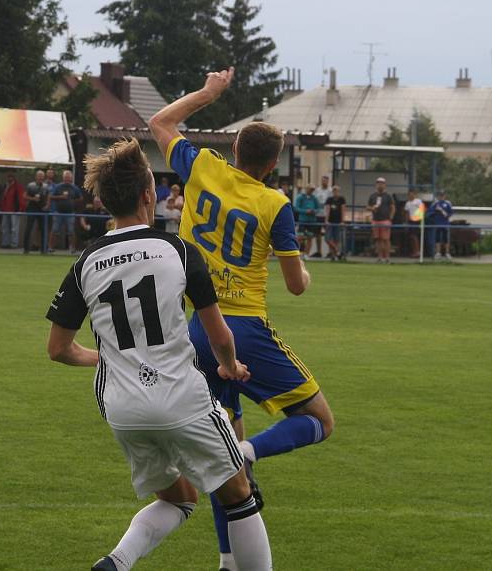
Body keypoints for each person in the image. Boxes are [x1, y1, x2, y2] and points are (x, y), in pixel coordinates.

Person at [45, 138, 272, 571]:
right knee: (240, 495)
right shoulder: (179, 251)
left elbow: (57, 349)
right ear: (149, 195)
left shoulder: (86, 261)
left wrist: (103, 358)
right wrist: (228, 365)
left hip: (123, 406)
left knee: (180, 499)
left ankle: (115, 563)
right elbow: (219, 333)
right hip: (180, 397)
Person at [149, 67, 333, 571]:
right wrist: (303, 272)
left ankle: (230, 561)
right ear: (272, 165)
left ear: (234, 152)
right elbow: (296, 285)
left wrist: (209, 93)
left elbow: (160, 122)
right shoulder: (275, 203)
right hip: (243, 328)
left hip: (196, 330)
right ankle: (248, 453)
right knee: (317, 420)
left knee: (218, 458)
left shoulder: (202, 167)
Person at [48, 170, 82, 253]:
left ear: (71, 178)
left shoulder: (74, 188)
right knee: (54, 230)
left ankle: (72, 248)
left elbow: (80, 198)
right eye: (65, 177)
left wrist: (73, 201)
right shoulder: (58, 187)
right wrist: (61, 197)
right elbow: (51, 196)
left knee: (71, 231)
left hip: (70, 213)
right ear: (63, 178)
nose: (67, 179)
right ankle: (50, 248)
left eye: (68, 177)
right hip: (58, 212)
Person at [367, 177, 395, 263]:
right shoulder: (372, 196)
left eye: (382, 183)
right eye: (378, 183)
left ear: (385, 185)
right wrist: (372, 208)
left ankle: (387, 258)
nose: (380, 185)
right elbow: (367, 207)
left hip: (385, 220)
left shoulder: (388, 196)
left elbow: (393, 207)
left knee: (386, 239)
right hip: (375, 220)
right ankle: (379, 258)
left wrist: (390, 218)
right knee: (378, 239)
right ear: (376, 185)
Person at [22, 170, 50, 254]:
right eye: (39, 176)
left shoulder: (46, 186)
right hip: (32, 209)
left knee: (43, 229)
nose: (41, 177)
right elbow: (24, 196)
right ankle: (26, 249)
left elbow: (48, 196)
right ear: (36, 177)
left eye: (42, 176)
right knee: (29, 228)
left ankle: (43, 250)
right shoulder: (31, 185)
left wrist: (47, 205)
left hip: (42, 209)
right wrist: (33, 199)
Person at [294, 185, 320, 258]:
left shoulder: (314, 198)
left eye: (312, 190)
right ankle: (296, 254)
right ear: (306, 189)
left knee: (310, 238)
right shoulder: (300, 197)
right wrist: (306, 211)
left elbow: (319, 208)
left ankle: (306, 254)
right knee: (300, 237)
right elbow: (296, 208)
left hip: (312, 221)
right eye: (310, 189)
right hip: (302, 220)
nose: (311, 191)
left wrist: (314, 211)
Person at [0, 173, 24, 248]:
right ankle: (5, 243)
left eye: (11, 177)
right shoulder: (5, 186)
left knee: (14, 229)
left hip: (15, 210)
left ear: (14, 178)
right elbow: (3, 198)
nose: (9, 178)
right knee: (4, 228)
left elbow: (21, 198)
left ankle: (14, 244)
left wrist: (21, 209)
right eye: (8, 176)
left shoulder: (18, 186)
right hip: (5, 210)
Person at [429, 189, 453, 260]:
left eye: (443, 195)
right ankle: (438, 253)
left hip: (445, 224)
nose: (441, 196)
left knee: (446, 239)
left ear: (445, 196)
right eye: (440, 195)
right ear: (438, 196)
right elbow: (430, 213)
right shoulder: (435, 203)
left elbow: (450, 213)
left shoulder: (448, 203)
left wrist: (444, 212)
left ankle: (447, 253)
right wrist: (435, 211)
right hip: (437, 224)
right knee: (437, 239)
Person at [324, 185, 347, 261]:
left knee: (336, 239)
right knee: (327, 239)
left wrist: (342, 221)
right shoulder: (329, 199)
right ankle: (337, 252)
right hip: (330, 222)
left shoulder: (342, 199)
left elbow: (343, 210)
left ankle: (334, 256)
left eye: (336, 190)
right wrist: (326, 220)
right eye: (334, 190)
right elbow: (327, 210)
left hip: (338, 222)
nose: (335, 192)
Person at [313, 175, 332, 257]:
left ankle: (330, 252)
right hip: (318, 215)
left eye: (326, 181)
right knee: (317, 234)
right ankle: (319, 251)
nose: (324, 182)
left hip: (326, 215)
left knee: (328, 234)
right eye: (323, 180)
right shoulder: (317, 190)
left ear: (328, 181)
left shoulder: (330, 191)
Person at [404, 189, 424, 258]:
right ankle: (414, 251)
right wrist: (406, 222)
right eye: (409, 194)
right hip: (410, 221)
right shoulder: (407, 203)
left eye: (412, 194)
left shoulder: (418, 201)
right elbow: (407, 213)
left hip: (417, 220)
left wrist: (421, 220)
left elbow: (422, 210)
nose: (410, 195)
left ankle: (418, 252)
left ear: (415, 194)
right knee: (411, 237)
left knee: (414, 236)